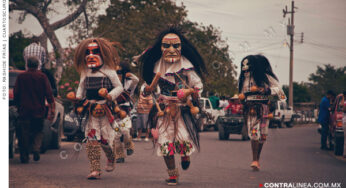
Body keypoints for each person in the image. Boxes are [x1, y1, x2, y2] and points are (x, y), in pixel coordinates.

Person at [140, 27, 207, 185]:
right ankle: (172, 174)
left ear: (181, 47)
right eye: (167, 46)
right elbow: (147, 87)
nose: (171, 50)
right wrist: (147, 90)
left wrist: (189, 91)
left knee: (183, 140)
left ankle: (185, 156)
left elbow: (198, 86)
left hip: (182, 111)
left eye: (175, 45)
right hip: (163, 112)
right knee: (165, 143)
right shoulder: (156, 65)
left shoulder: (187, 66)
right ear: (161, 48)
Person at [74, 38, 124, 179]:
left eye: (95, 52)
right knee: (91, 139)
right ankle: (95, 169)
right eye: (87, 52)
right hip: (90, 110)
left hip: (106, 109)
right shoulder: (85, 72)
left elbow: (119, 87)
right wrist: (78, 100)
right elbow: (81, 88)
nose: (90, 55)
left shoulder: (109, 71)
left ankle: (110, 156)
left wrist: (109, 96)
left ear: (102, 53)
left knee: (105, 140)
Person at [238, 54, 286, 171]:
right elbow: (241, 96)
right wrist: (241, 98)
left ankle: (257, 159)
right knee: (254, 133)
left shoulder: (266, 78)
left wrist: (265, 91)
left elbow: (281, 95)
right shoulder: (243, 79)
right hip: (250, 110)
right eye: (243, 66)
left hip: (264, 110)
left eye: (248, 65)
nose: (245, 68)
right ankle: (254, 160)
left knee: (262, 136)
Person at [14, 57, 55, 163]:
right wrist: (52, 107)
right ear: (37, 65)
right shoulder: (42, 76)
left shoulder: (21, 77)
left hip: (24, 111)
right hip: (38, 111)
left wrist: (17, 106)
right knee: (38, 131)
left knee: (24, 133)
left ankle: (24, 155)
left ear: (27, 64)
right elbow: (49, 93)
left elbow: (16, 93)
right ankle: (36, 149)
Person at [114, 61, 139, 163]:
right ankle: (119, 155)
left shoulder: (129, 83)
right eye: (115, 72)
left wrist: (130, 74)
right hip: (114, 110)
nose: (117, 75)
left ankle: (129, 145)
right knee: (116, 134)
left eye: (120, 72)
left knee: (125, 130)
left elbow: (136, 80)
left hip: (125, 110)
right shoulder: (111, 83)